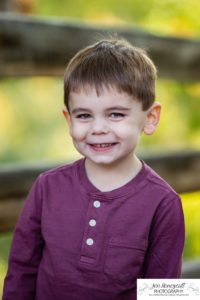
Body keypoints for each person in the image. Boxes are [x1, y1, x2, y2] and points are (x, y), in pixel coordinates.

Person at [3, 38, 185, 300]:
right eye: (84, 115)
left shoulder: (164, 204)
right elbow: (21, 271)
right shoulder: (47, 187)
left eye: (115, 114)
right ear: (68, 119)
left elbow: (166, 292)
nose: (98, 128)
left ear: (150, 118)